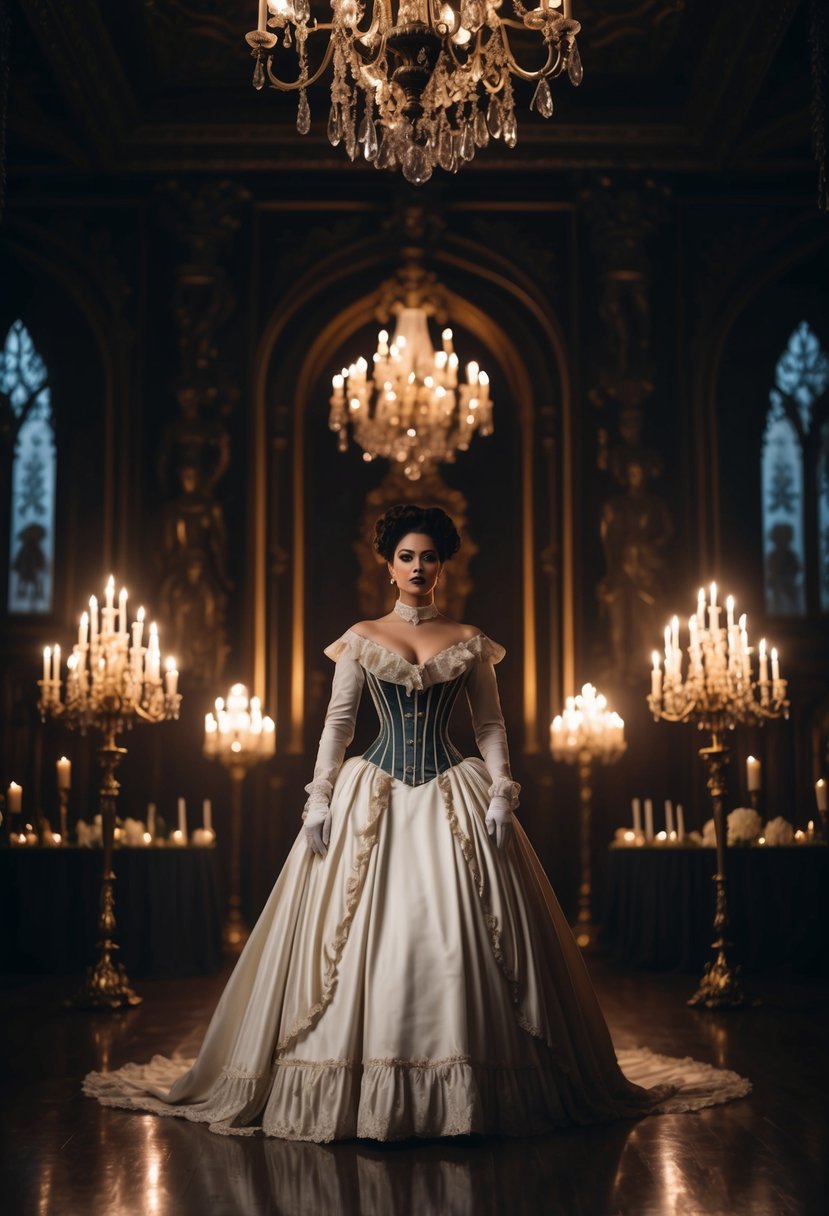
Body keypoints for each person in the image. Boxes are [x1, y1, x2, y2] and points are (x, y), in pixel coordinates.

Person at [84, 504, 749, 1141]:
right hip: (370, 790)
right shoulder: (360, 640)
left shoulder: (467, 641)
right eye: (406, 557)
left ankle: (470, 1090)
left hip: (452, 791)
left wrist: (499, 792)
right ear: (388, 564)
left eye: (429, 557)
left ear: (444, 565)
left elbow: (488, 724)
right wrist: (318, 799)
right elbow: (338, 726)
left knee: (462, 938)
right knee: (353, 942)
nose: (418, 568)